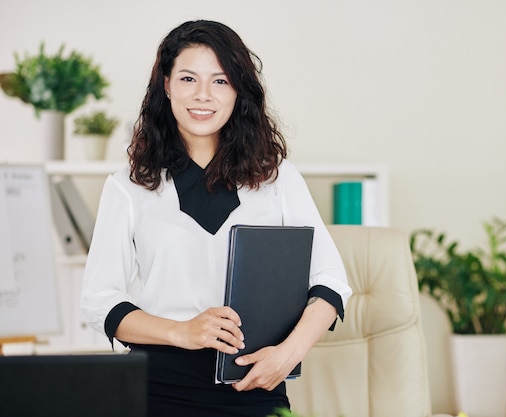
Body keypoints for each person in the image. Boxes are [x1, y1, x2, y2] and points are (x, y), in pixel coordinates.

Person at [81, 20, 352, 417]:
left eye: (221, 81)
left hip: (256, 383)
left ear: (239, 91)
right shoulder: (129, 187)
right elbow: (99, 301)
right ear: (167, 85)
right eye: (189, 78)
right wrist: (182, 331)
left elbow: (330, 282)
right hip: (159, 388)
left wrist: (288, 354)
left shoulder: (277, 179)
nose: (203, 95)